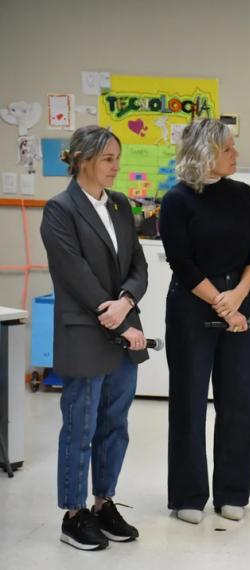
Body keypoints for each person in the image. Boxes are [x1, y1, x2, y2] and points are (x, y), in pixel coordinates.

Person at [41, 125, 149, 549]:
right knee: (80, 426)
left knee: (114, 426)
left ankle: (103, 503)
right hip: (87, 333)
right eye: (107, 159)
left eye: (117, 158)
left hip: (122, 329)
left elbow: (139, 266)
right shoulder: (60, 209)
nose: (115, 166)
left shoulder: (121, 205)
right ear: (83, 159)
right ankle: (73, 513)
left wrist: (126, 300)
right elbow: (76, 276)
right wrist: (119, 317)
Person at [159, 119, 250, 525]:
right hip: (192, 303)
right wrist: (224, 305)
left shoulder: (242, 195)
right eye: (228, 149)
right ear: (205, 154)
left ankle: (232, 493)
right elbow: (182, 264)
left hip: (239, 297)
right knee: (188, 401)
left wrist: (237, 297)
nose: (236, 154)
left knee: (239, 401)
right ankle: (188, 495)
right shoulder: (177, 201)